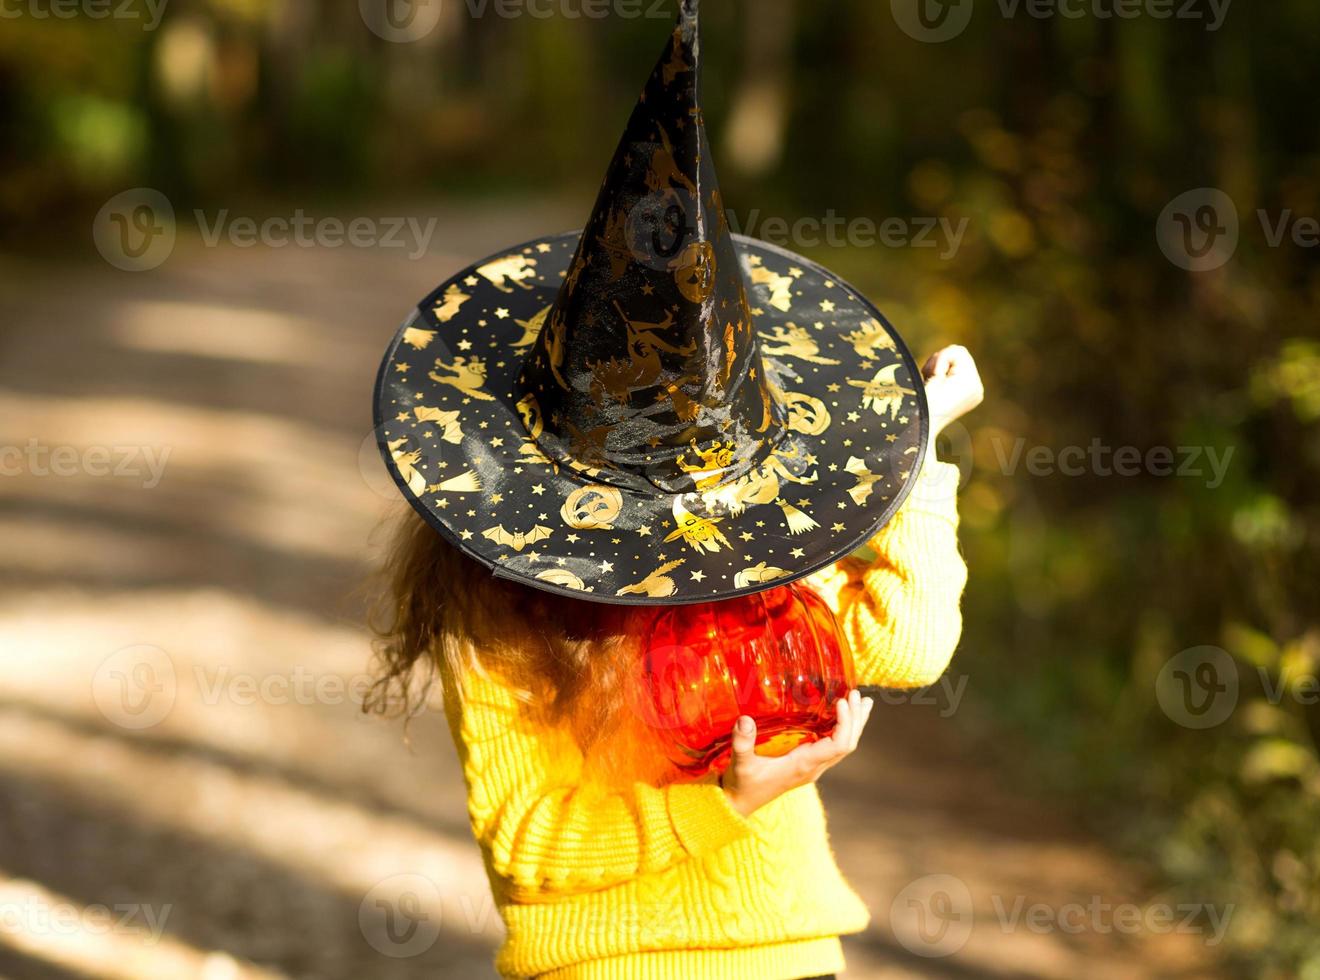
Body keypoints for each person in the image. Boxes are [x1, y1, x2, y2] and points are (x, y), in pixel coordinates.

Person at [368, 3, 982, 975]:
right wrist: (724, 800)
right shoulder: (491, 603)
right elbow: (528, 840)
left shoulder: (748, 554)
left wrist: (916, 452)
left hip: (787, 955)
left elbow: (910, 642)